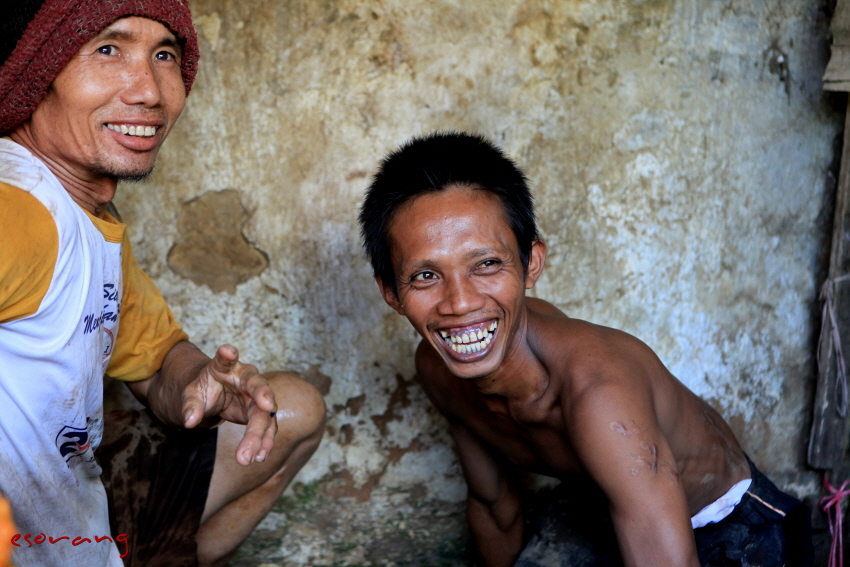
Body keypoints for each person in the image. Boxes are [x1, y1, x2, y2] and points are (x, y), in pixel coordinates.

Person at [359, 132, 813, 567]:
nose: (460, 302)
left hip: (732, 529)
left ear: (531, 262)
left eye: (487, 264)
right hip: (603, 509)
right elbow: (494, 504)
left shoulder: (600, 390)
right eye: (425, 276)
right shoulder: (438, 369)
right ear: (391, 292)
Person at [0, 2, 326, 566]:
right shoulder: (17, 210)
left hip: (67, 533)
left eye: (165, 55)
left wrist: (202, 382)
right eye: (108, 49)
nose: (149, 90)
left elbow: (154, 360)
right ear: (37, 72)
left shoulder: (85, 218)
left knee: (292, 409)